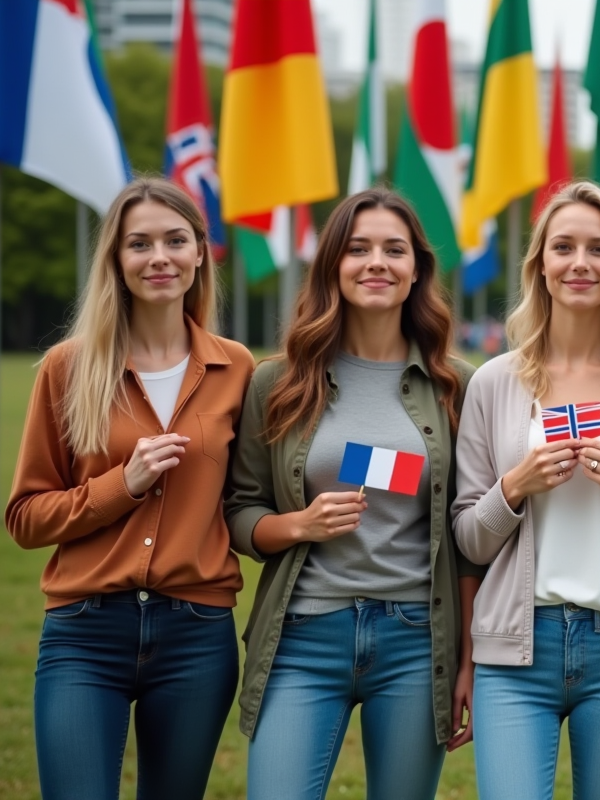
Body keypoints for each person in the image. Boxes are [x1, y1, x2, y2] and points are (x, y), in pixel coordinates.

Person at [224, 188, 480, 800]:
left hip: (416, 639)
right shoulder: (277, 381)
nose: (376, 263)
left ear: (416, 268)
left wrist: (467, 658)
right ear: (333, 264)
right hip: (305, 632)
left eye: (394, 249)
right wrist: (298, 526)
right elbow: (240, 511)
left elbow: (470, 540)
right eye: (358, 248)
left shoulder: (457, 385)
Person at [5, 177, 253, 800]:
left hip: (197, 634)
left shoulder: (238, 368)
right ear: (116, 259)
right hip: (85, 631)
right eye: (138, 244)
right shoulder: (67, 367)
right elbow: (26, 518)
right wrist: (124, 484)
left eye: (175, 240)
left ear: (201, 252)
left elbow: (249, 499)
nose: (159, 258)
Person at [451, 181, 600, 799]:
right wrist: (515, 487)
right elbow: (468, 540)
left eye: (599, 249)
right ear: (541, 266)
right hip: (515, 651)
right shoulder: (494, 383)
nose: (580, 263)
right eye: (564, 247)